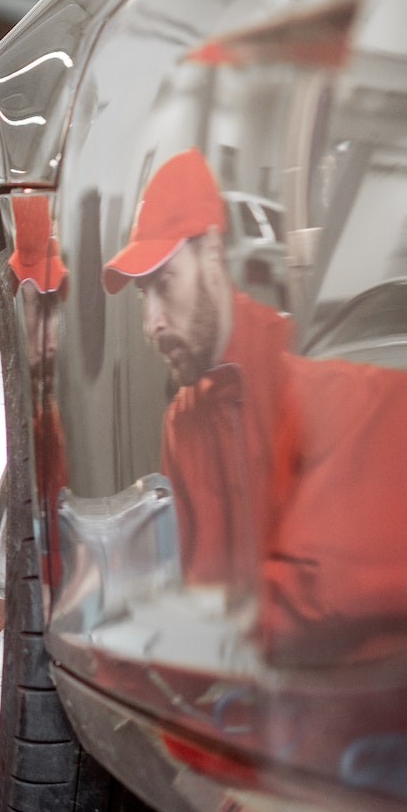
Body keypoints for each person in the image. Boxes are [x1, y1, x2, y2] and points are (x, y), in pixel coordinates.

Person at [103, 148, 295, 609]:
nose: (152, 325)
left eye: (164, 284)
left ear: (211, 254)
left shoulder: (300, 373)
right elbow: (203, 592)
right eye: (144, 296)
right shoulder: (183, 420)